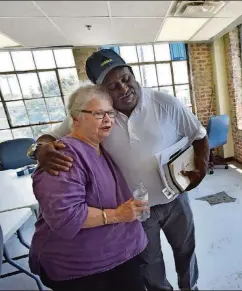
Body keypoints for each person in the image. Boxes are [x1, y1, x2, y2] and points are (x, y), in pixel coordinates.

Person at [27, 49, 209, 291]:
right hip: (138, 208)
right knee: (150, 263)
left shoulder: (165, 103)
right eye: (112, 86)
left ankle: (191, 287)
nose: (123, 89)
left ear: (133, 74)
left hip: (176, 198)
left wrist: (201, 167)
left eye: (125, 79)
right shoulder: (98, 115)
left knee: (186, 250)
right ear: (101, 91)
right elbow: (51, 137)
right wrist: (40, 149)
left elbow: (199, 134)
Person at [28, 85, 149, 291]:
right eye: (99, 113)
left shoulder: (98, 147)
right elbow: (66, 215)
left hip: (118, 253)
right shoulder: (62, 156)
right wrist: (118, 215)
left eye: (110, 113)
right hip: (83, 268)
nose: (108, 120)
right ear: (75, 119)